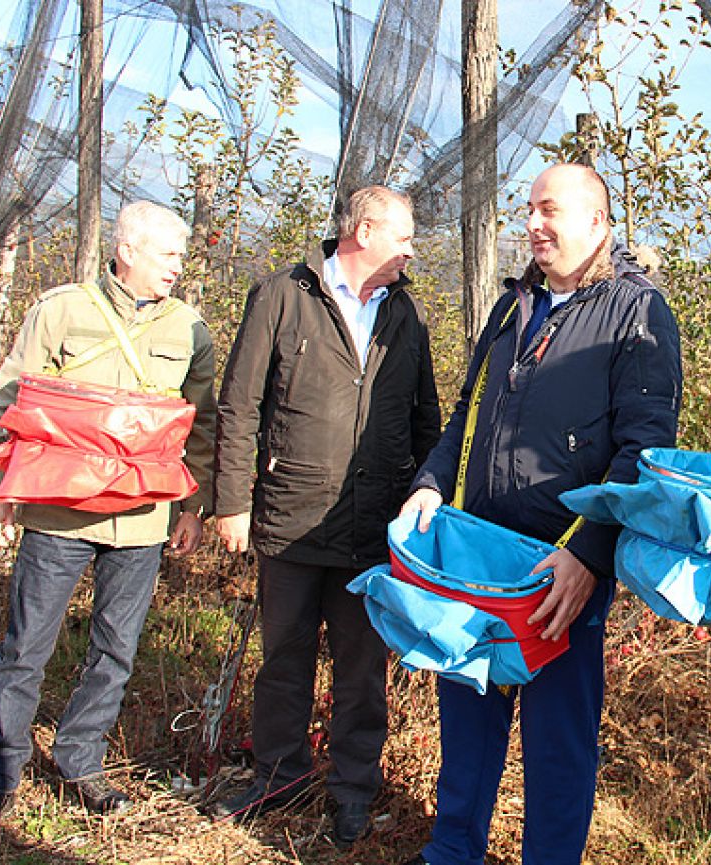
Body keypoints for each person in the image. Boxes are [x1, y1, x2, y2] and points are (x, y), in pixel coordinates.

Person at [399, 163, 682, 865]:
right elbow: (467, 411)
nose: (533, 224)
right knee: (467, 719)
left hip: (559, 565)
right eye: (528, 209)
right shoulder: (512, 306)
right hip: (478, 554)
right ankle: (451, 850)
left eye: (549, 209)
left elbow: (645, 450)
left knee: (558, 743)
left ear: (597, 222)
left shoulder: (636, 311)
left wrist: (589, 554)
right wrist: (432, 482)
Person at [0, 201, 216, 848]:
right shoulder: (62, 309)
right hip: (57, 515)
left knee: (115, 650)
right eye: (168, 256)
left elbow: (202, 423)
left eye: (180, 258)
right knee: (24, 650)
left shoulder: (190, 327)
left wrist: (192, 507)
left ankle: (80, 759)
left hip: (141, 521)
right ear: (127, 249)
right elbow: (9, 400)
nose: (176, 269)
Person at [210, 186, 440, 847]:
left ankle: (352, 791)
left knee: (361, 669)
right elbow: (239, 404)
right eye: (402, 236)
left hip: (372, 527)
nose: (408, 250)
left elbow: (426, 417)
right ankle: (278, 775)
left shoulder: (405, 312)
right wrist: (230, 500)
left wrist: (429, 498)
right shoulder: (283, 295)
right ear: (364, 230)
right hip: (289, 517)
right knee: (282, 657)